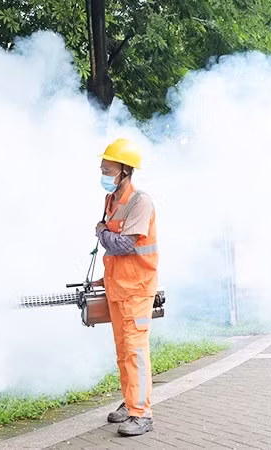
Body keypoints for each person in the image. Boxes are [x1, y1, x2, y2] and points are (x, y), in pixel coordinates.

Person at [92, 138, 158, 437]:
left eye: (108, 168)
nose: (103, 172)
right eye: (102, 167)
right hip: (117, 288)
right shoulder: (112, 201)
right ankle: (130, 403)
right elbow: (112, 252)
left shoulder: (139, 201)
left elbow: (122, 245)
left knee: (135, 351)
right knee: (123, 351)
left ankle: (142, 414)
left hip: (136, 289)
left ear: (125, 171)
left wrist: (101, 231)